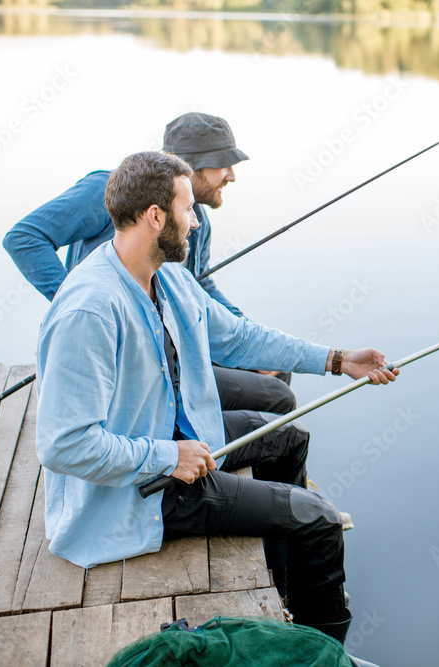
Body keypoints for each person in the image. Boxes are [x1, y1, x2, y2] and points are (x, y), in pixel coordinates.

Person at [35, 151, 398, 643]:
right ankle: (321, 649)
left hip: (182, 439)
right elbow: (63, 445)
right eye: (188, 209)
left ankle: (283, 587)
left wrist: (337, 359)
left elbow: (239, 338)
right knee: (319, 518)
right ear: (155, 216)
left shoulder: (169, 278)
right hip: (145, 492)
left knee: (288, 439)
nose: (195, 221)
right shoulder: (91, 311)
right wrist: (168, 456)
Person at [4, 112, 294, 415]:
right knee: (275, 397)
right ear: (189, 164)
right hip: (130, 354)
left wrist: (244, 332)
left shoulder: (197, 219)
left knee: (276, 367)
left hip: (172, 340)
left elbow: (200, 283)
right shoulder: (112, 190)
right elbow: (25, 238)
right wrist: (79, 305)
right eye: (223, 163)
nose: (231, 175)